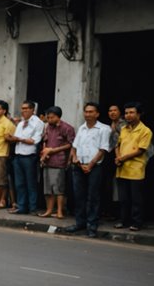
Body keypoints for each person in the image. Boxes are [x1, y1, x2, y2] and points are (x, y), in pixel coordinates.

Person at [64, 102, 111, 238]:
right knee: (79, 196)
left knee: (93, 197)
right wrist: (74, 158)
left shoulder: (104, 129)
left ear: (97, 114)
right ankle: (80, 223)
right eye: (86, 112)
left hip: (94, 167)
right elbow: (74, 146)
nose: (88, 114)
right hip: (79, 166)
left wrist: (90, 165)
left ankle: (92, 225)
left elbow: (103, 149)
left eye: (91, 112)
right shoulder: (82, 128)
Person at [114, 102, 150, 231]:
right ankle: (124, 221)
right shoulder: (124, 129)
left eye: (131, 112)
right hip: (122, 168)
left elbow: (141, 150)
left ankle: (137, 222)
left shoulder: (145, 131)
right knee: (123, 198)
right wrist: (118, 157)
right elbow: (117, 145)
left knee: (136, 199)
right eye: (126, 113)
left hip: (136, 169)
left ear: (139, 114)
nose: (128, 115)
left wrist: (122, 158)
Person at [38, 106, 74, 219]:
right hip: (47, 161)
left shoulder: (67, 128)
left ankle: (59, 211)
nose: (49, 120)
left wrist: (53, 150)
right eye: (48, 117)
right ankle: (49, 210)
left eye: (51, 117)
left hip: (60, 161)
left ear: (58, 117)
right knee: (48, 189)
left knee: (59, 189)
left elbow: (70, 144)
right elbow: (45, 140)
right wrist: (45, 151)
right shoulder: (48, 127)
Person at [10, 100, 44, 214]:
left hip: (30, 156)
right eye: (22, 108)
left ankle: (32, 208)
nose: (23, 111)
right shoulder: (21, 123)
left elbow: (34, 141)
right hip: (18, 155)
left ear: (32, 110)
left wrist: (18, 139)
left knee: (31, 183)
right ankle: (22, 206)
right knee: (19, 183)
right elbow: (17, 137)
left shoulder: (38, 123)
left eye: (26, 109)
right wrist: (12, 138)